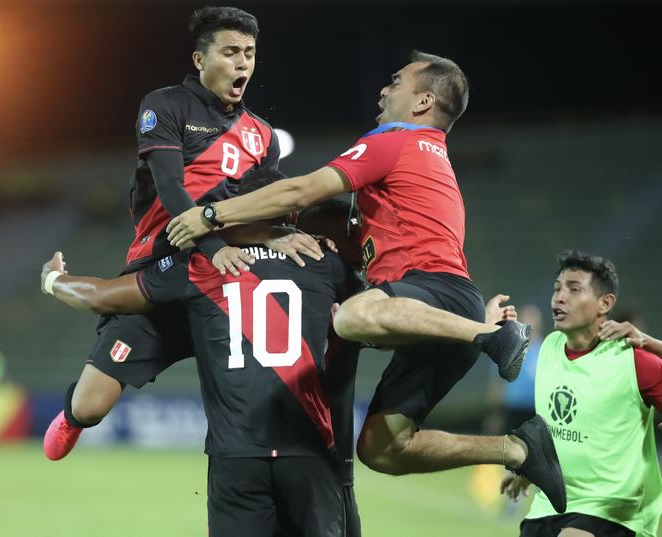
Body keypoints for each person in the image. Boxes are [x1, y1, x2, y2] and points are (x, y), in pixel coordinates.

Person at [164, 50, 566, 511]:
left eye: (396, 81)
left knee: (352, 316)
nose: (384, 89)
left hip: (436, 296)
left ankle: (491, 338)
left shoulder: (394, 142)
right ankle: (519, 448)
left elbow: (300, 190)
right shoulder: (432, 157)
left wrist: (210, 215)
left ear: (423, 101)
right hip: (446, 305)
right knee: (382, 448)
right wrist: (469, 316)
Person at [42, 6, 325, 461]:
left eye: (249, 53)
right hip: (161, 261)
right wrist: (211, 246)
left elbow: (265, 199)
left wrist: (274, 234)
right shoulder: (166, 105)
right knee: (91, 407)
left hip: (223, 273)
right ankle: (72, 417)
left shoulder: (263, 135)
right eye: (230, 52)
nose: (242, 63)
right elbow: (172, 187)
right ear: (200, 59)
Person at [41, 198, 364, 537]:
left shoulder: (200, 262)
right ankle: (75, 416)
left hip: (236, 450)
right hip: (307, 450)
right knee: (89, 405)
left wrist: (52, 279)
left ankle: (77, 415)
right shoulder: (325, 263)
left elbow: (101, 296)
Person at [501, 251, 662, 537]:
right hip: (552, 503)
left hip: (614, 509)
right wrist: (531, 470)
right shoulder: (549, 348)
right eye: (557, 289)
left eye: (574, 290)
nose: (560, 297)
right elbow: (554, 428)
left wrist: (652, 343)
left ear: (605, 303)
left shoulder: (634, 360)